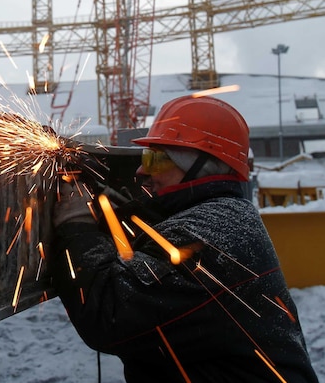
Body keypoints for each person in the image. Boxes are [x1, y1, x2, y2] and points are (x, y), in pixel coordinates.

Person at [49, 95, 318, 382]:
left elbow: (109, 314)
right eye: (145, 158)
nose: (141, 171)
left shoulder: (211, 238)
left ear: (200, 166)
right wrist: (114, 212)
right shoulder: (224, 216)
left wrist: (76, 225)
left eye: (157, 159)